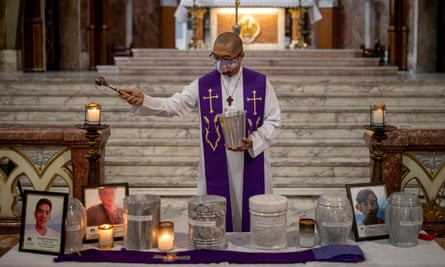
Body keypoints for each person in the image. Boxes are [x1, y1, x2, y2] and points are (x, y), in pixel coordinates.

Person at [119, 32, 281, 232]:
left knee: (251, 218)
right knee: (217, 223)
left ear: (241, 56)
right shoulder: (203, 85)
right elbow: (173, 105)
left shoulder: (260, 83)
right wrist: (144, 99)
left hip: (250, 158)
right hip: (216, 161)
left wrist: (255, 141)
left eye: (227, 58)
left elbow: (274, 119)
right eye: (216, 57)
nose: (221, 63)